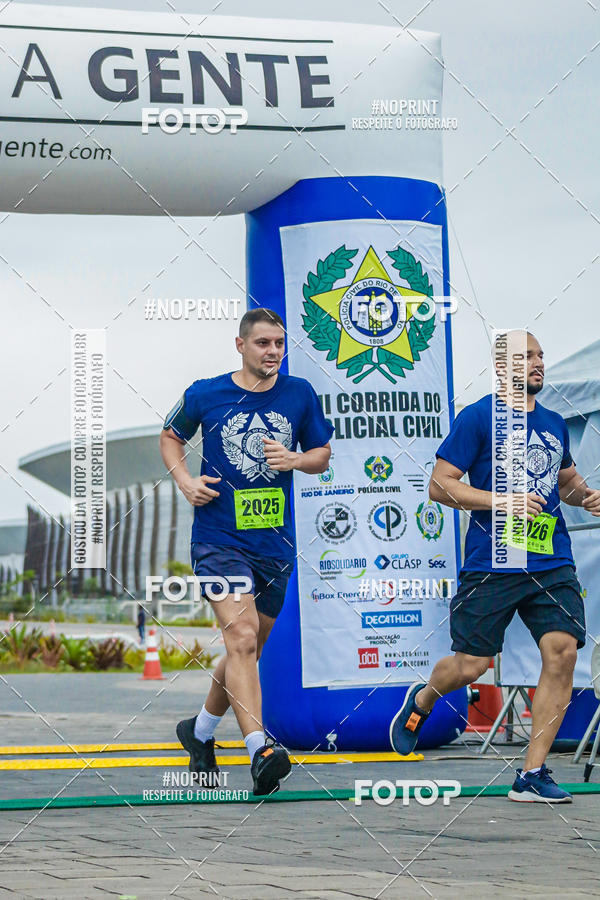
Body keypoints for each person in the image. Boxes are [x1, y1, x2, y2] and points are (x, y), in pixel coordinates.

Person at [389, 330, 600, 803]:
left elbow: (562, 481)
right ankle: (422, 700)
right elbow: (440, 487)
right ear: (502, 367)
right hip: (493, 562)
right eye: (526, 356)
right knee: (472, 665)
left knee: (563, 651)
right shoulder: (479, 416)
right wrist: (501, 501)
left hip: (550, 560)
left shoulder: (552, 421)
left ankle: (532, 773)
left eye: (541, 355)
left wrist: (587, 496)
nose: (537, 363)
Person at [159, 308, 333, 795]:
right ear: (240, 346)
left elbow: (322, 455)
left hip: (274, 546)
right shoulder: (205, 393)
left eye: (279, 343)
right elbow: (170, 436)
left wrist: (297, 458)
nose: (273, 352)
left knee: (247, 647)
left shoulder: (298, 394)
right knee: (241, 638)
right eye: (263, 344)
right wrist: (185, 481)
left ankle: (198, 734)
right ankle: (261, 749)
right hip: (218, 540)